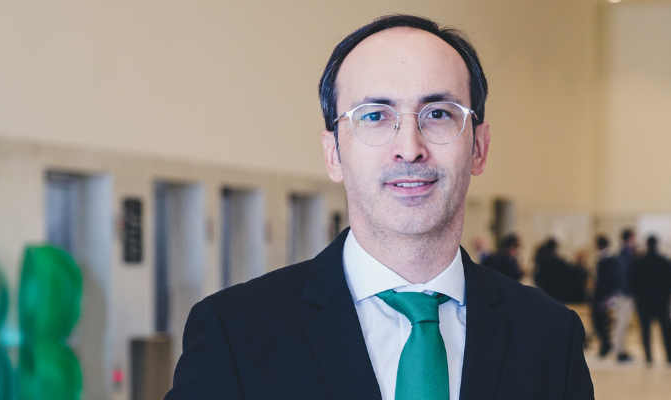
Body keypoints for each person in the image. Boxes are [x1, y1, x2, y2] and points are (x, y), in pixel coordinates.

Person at [165, 15, 594, 400]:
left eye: (438, 114)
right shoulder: (235, 334)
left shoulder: (550, 336)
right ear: (333, 152)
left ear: (478, 148)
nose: (409, 148)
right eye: (374, 116)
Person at [631, 236, 671, 365]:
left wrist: (638, 300)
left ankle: (648, 356)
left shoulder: (639, 262)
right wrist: (667, 299)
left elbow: (634, 284)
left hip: (644, 302)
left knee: (645, 330)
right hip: (661, 302)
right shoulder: (663, 261)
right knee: (666, 330)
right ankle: (670, 355)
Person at [612, 228, 636, 362]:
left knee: (621, 323)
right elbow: (623, 274)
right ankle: (619, 351)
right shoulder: (626, 253)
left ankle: (619, 349)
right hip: (625, 293)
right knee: (622, 322)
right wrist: (627, 291)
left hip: (623, 292)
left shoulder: (625, 252)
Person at [591, 235, 617, 358]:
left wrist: (607, 295)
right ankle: (605, 344)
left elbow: (608, 279)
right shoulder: (603, 258)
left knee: (599, 321)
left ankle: (605, 345)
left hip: (603, 295)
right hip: (601, 294)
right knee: (600, 321)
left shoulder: (607, 259)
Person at [533, 238, 571, 303]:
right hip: (558, 292)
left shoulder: (542, 260)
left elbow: (538, 278)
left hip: (546, 291)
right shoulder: (560, 262)